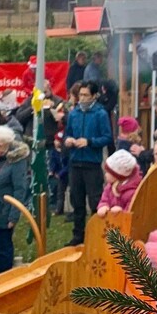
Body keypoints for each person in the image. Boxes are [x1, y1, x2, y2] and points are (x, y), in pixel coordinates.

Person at [63, 83, 112, 246]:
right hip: (75, 162)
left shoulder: (100, 114)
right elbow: (67, 133)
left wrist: (89, 142)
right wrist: (68, 140)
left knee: (95, 201)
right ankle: (78, 235)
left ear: (94, 96)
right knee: (77, 201)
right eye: (80, 95)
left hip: (92, 163)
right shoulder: (74, 113)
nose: (82, 98)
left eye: (85, 95)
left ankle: (96, 234)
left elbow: (107, 137)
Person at [0, 126, 29, 276]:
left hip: (4, 210)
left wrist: (14, 216)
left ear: (8, 143)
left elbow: (20, 189)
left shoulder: (16, 160)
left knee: (3, 246)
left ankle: (4, 278)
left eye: (0, 146)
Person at [96, 150, 141, 215]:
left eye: (108, 172)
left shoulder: (132, 193)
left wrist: (121, 212)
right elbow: (104, 200)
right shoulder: (109, 187)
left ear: (117, 175)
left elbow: (133, 213)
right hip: (110, 223)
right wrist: (103, 206)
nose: (105, 175)